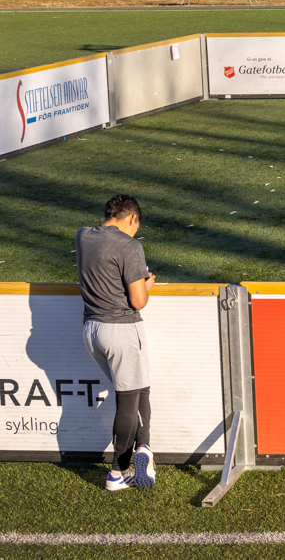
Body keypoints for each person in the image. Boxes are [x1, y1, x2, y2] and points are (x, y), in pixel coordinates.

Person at [76, 194, 156, 491]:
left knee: (139, 389)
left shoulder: (83, 236)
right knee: (127, 403)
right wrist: (146, 285)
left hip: (91, 330)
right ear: (132, 217)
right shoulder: (130, 246)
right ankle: (118, 471)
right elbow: (138, 301)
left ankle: (144, 446)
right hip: (121, 330)